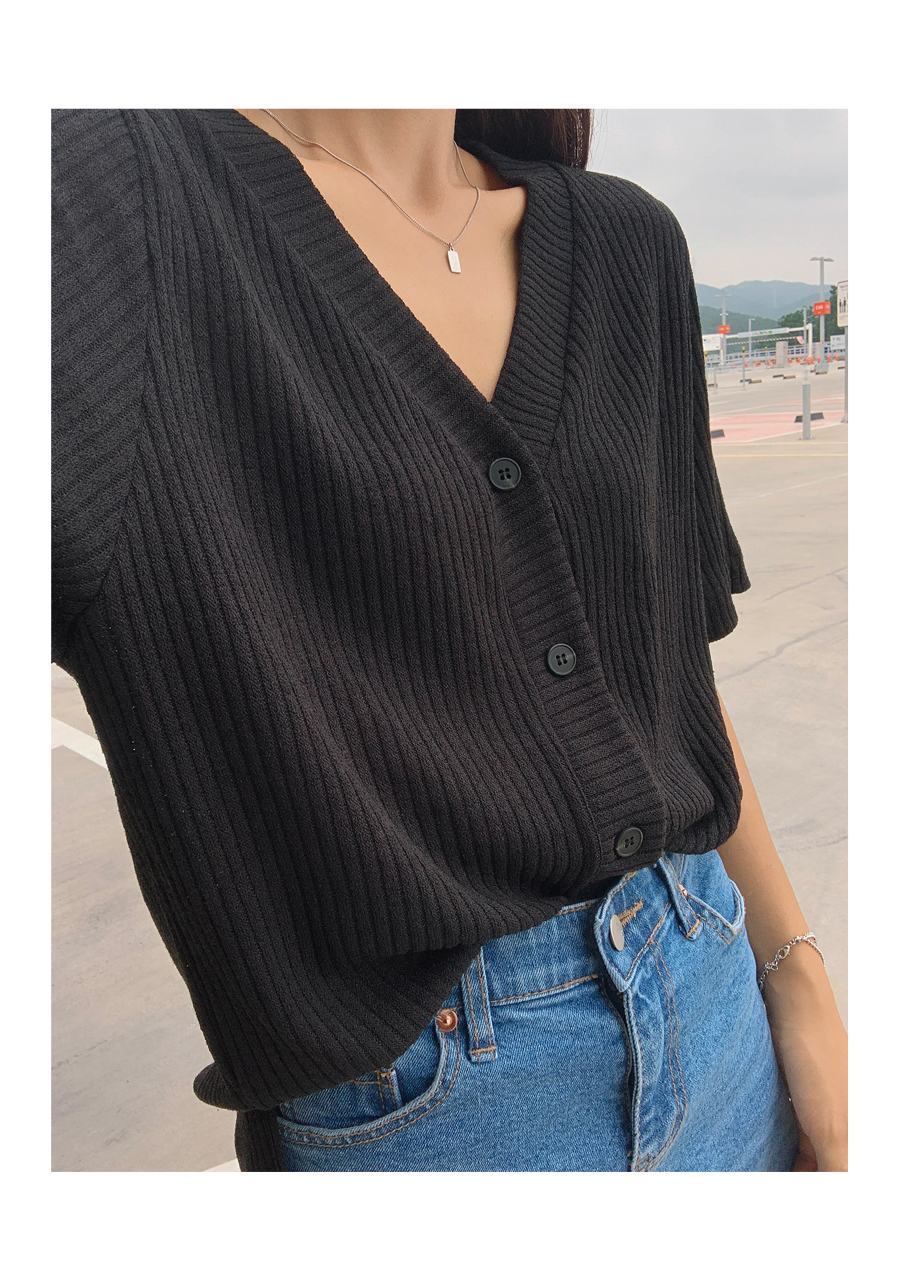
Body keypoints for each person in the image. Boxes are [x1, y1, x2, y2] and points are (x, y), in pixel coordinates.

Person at [51, 108, 848, 1172]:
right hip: (433, 1107)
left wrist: (799, 977)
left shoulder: (629, 240)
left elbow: (670, 683)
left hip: (715, 983)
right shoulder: (95, 207)